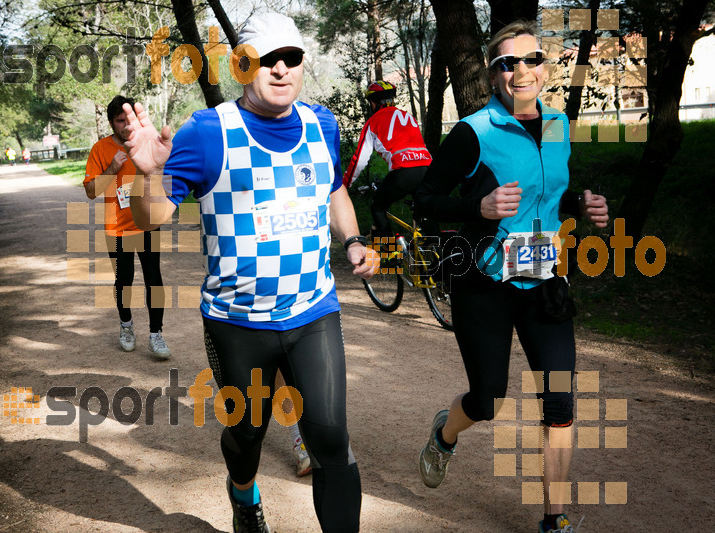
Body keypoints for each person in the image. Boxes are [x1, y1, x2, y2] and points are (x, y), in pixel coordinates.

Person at [121, 12, 377, 532]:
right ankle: (243, 494)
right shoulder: (208, 130)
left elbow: (333, 189)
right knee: (248, 435)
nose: (280, 69)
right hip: (236, 322)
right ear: (242, 67)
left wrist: (351, 240)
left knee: (330, 438)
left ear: (303, 65)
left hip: (313, 311)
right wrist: (149, 173)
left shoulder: (323, 124)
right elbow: (152, 217)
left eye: (292, 58)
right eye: (266, 60)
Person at [414, 21, 609, 533]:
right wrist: (475, 206)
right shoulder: (474, 132)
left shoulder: (558, 126)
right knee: (489, 399)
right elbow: (425, 198)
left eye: (531, 59)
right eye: (508, 63)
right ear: (493, 74)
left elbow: (551, 196)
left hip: (543, 276)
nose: (521, 71)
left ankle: (555, 519)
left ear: (545, 69)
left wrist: (581, 206)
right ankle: (445, 434)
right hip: (486, 283)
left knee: (561, 401)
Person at [84, 95, 171, 360]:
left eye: (128, 119)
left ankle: (156, 334)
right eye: (120, 120)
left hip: (146, 223)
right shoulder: (101, 149)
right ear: (112, 122)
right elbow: (90, 191)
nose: (125, 125)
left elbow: (166, 176)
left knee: (153, 280)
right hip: (117, 228)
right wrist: (111, 169)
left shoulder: (146, 144)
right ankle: (126, 326)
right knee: (124, 281)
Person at [342, 80, 433, 238]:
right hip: (428, 169)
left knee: (377, 207)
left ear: (374, 102)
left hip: (403, 173)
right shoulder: (407, 117)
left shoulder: (373, 122)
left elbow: (359, 160)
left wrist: (344, 185)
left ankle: (392, 255)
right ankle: (439, 251)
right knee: (423, 208)